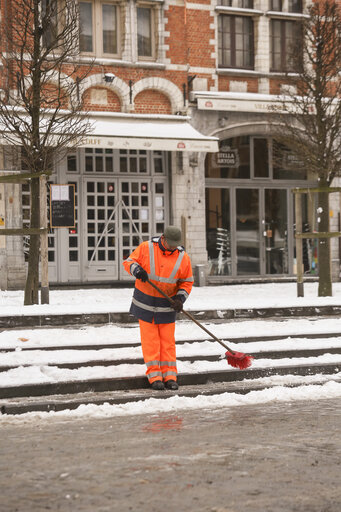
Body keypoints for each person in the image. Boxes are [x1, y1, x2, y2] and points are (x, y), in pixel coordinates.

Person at [123, 226, 193, 391]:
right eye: (170, 244)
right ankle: (155, 377)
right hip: (145, 303)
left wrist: (180, 298)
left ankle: (170, 376)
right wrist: (137, 270)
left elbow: (187, 281)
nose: (172, 247)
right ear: (163, 238)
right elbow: (128, 261)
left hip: (167, 306)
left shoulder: (183, 257)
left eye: (175, 245)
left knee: (167, 343)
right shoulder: (146, 247)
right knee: (151, 342)